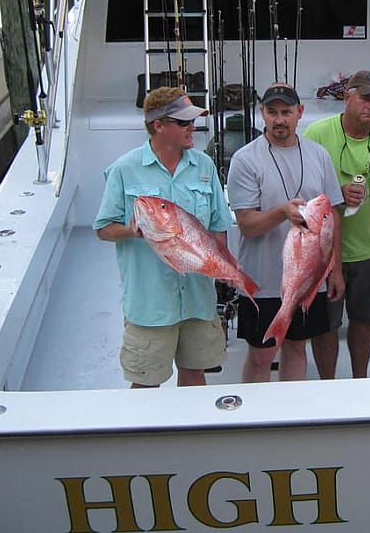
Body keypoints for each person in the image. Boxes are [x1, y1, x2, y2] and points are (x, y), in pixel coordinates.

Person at [94, 88, 229, 388]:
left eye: (192, 121)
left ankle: (192, 433)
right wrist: (131, 230)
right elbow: (103, 228)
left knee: (195, 373)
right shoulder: (124, 169)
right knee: (145, 384)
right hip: (149, 303)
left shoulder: (204, 167)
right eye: (183, 123)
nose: (192, 128)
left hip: (197, 298)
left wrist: (225, 270)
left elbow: (218, 225)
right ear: (159, 126)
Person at [227, 83, 345, 382]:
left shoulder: (319, 155)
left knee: (296, 348)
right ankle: (254, 420)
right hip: (262, 281)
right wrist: (282, 212)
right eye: (272, 112)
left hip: (309, 278)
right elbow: (246, 225)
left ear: (299, 113)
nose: (279, 119)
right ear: (262, 113)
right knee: (261, 355)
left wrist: (335, 271)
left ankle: (292, 416)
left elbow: (331, 218)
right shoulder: (245, 159)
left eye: (287, 112)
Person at [303, 71, 370, 378]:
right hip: (322, 252)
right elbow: (302, 191)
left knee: (364, 320)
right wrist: (336, 194)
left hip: (368, 248)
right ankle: (328, 384)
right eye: (365, 98)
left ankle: (359, 381)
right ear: (347, 97)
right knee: (325, 325)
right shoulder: (317, 134)